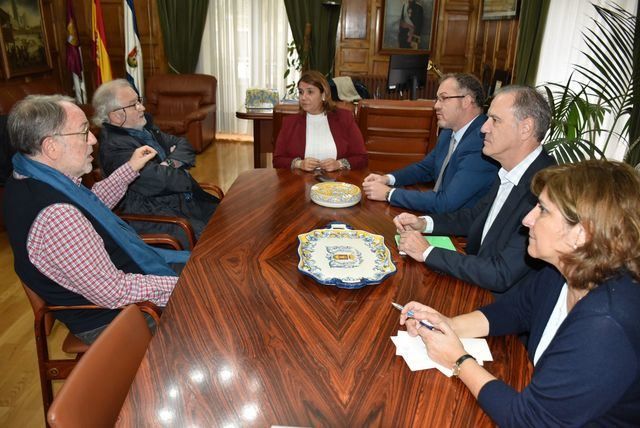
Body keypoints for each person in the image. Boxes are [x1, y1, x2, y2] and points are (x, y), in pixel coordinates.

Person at [399, 160, 640, 425]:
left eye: (543, 210)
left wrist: (458, 360)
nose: (527, 220)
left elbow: (529, 420)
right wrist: (448, 325)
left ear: (581, 234)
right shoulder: (562, 271)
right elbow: (514, 310)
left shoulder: (605, 325)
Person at [3, 95, 187, 344]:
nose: (93, 140)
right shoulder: (58, 215)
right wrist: (183, 287)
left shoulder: (27, 174)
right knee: (216, 309)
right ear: (51, 147)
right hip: (114, 319)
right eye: (83, 132)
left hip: (115, 289)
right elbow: (114, 291)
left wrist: (129, 169)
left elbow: (90, 206)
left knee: (210, 272)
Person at [395, 85, 556, 295]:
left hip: (498, 306)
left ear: (525, 128)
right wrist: (424, 223)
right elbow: (474, 217)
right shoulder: (509, 170)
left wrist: (428, 252)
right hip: (473, 281)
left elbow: (501, 273)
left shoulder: (546, 189)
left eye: (495, 120)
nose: (483, 128)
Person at [93, 79, 219, 249]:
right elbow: (161, 182)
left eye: (139, 101)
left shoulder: (143, 128)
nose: (142, 108)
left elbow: (184, 145)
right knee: (215, 242)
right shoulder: (115, 147)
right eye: (134, 104)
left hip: (181, 201)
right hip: (157, 216)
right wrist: (175, 165)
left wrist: (168, 164)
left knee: (227, 218)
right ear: (116, 115)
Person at [362, 73, 498, 213]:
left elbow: (445, 203)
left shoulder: (482, 143)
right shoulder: (448, 132)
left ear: (466, 101)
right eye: (437, 99)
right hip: (437, 215)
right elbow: (426, 168)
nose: (436, 106)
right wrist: (387, 179)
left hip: (458, 229)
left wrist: (389, 194)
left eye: (443, 98)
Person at [273, 70, 368, 171]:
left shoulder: (344, 118)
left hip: (336, 183)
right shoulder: (289, 123)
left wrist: (339, 164)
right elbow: (277, 160)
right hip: (300, 182)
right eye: (301, 92)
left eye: (310, 92)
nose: (303, 97)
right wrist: (299, 164)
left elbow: (362, 158)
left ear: (323, 95)